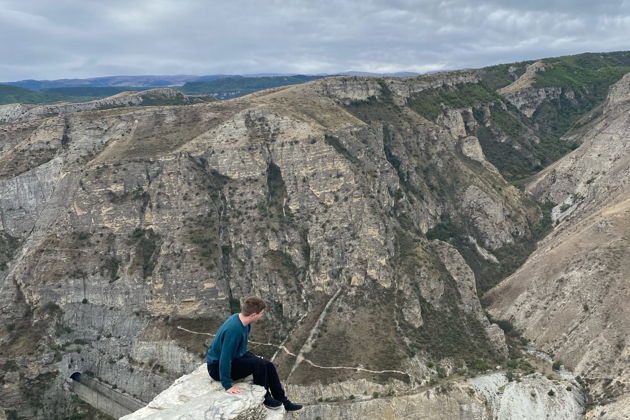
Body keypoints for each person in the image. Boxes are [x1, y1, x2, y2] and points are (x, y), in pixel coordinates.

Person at [207, 296, 303, 411]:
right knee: (259, 365)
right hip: (216, 368)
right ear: (253, 315)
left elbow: (238, 350)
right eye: (261, 313)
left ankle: (283, 401)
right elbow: (225, 358)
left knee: (268, 365)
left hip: (236, 357)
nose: (262, 315)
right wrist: (227, 384)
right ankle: (264, 397)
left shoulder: (242, 321)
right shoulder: (234, 330)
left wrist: (251, 357)